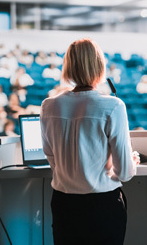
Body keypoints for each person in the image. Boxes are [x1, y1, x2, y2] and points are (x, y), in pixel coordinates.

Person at [40, 38, 139, 245]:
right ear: (99, 66)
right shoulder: (113, 106)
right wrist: (130, 161)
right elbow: (125, 173)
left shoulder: (48, 106)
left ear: (68, 66)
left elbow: (51, 157)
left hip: (63, 203)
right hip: (101, 204)